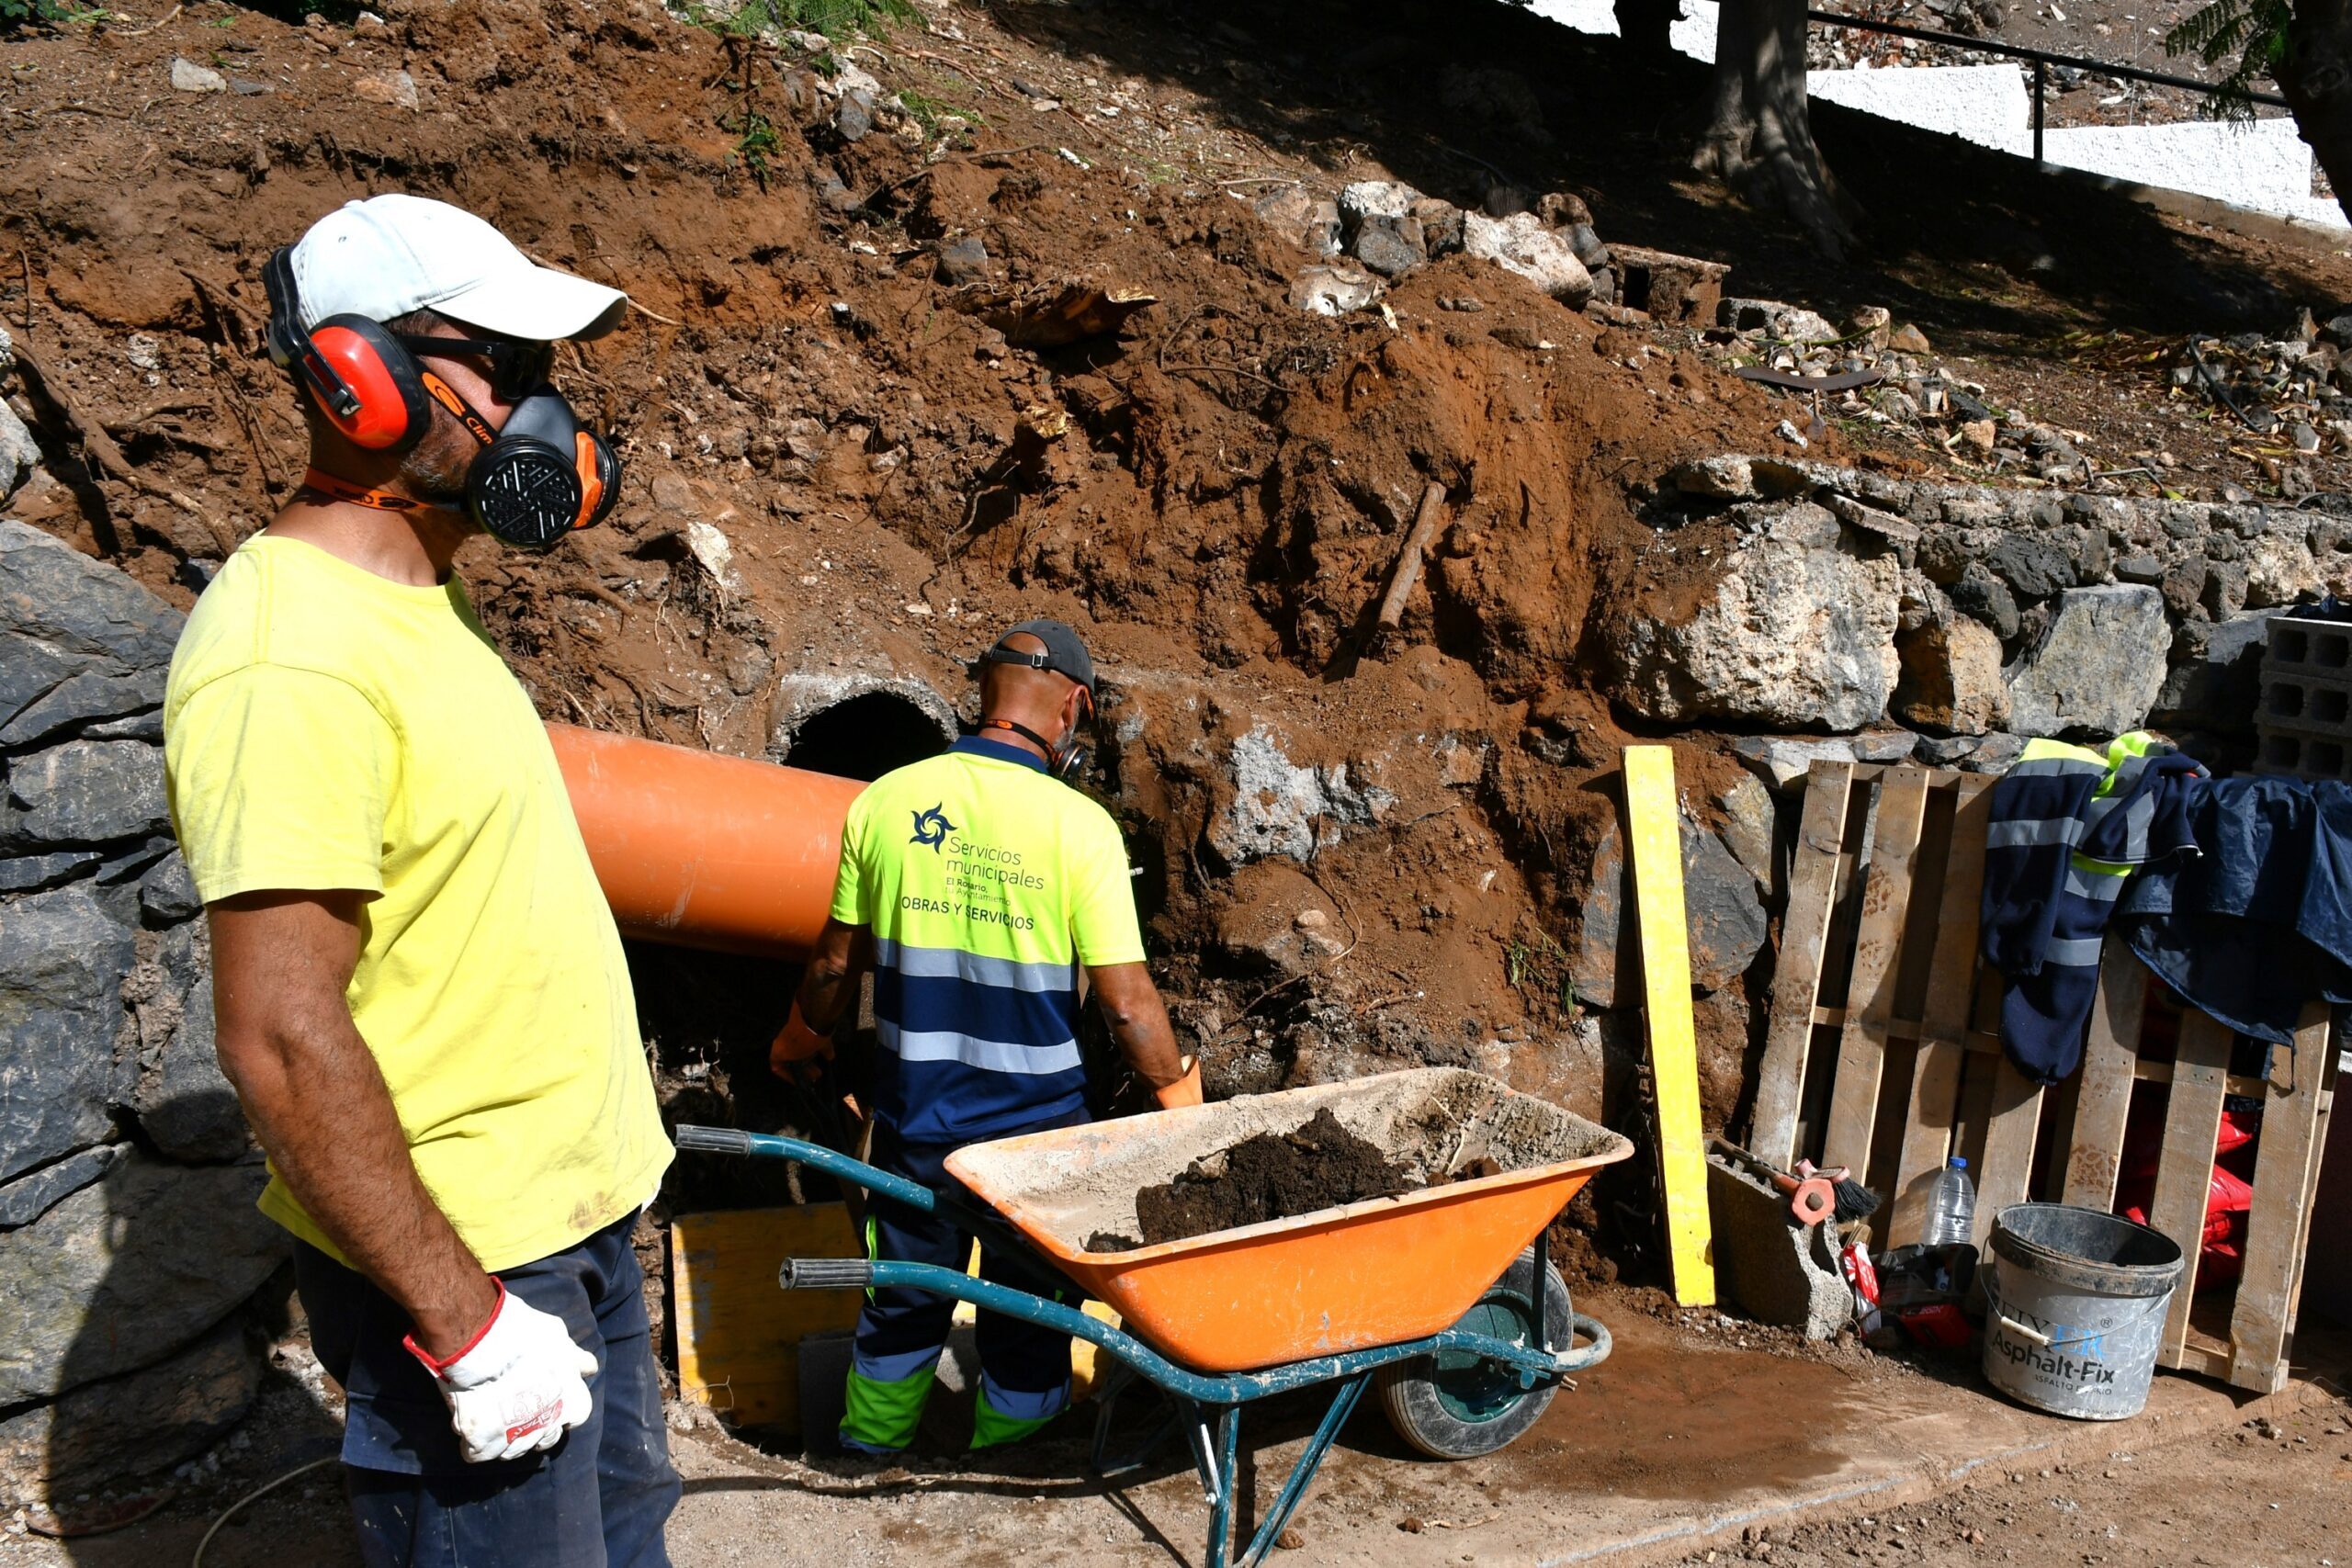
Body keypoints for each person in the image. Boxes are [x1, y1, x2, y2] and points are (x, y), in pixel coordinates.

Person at [163, 195, 676, 1568]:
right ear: (358, 373)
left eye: (541, 377)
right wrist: (469, 1324)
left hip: (565, 1228)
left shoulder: (419, 601)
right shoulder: (287, 657)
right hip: (467, 1259)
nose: (539, 414)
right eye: (500, 367)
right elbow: (277, 1032)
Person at [773, 619, 1199, 1456]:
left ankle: (867, 1454)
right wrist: (1177, 1092)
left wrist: (796, 1038)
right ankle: (1013, 1458)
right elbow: (1127, 1005)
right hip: (1037, 1141)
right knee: (1033, 1308)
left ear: (985, 692)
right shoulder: (1081, 830)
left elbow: (833, 965)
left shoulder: (887, 802)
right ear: (1072, 706)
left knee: (901, 1295)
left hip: (915, 1123)